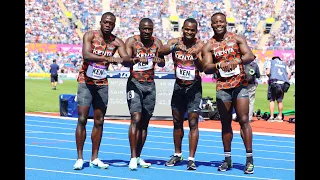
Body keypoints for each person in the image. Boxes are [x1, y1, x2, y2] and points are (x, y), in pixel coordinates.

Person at [73, 12, 132, 170]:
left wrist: (125, 59)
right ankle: (80, 158)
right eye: (105, 22)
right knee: (83, 119)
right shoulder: (90, 35)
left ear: (114, 25)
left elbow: (126, 60)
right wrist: (107, 59)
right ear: (100, 22)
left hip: (102, 84)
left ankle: (95, 157)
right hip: (85, 81)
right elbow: (86, 55)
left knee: (99, 121)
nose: (108, 25)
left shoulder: (116, 42)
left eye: (111, 23)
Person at [201, 12, 256, 174]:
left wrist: (235, 61)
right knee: (225, 124)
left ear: (226, 23)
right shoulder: (208, 45)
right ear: (211, 25)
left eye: (221, 22)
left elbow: (250, 55)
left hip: (239, 85)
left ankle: (249, 159)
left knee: (244, 120)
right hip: (222, 88)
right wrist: (220, 66)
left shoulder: (237, 39)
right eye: (215, 23)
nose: (218, 25)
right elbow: (206, 68)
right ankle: (227, 159)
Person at [158, 18, 204, 170]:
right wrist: (174, 47)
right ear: (182, 29)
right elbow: (161, 51)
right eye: (187, 29)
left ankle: (191, 159)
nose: (189, 32)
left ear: (196, 31)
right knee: (177, 122)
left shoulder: (200, 45)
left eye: (192, 30)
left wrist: (196, 56)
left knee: (193, 123)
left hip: (194, 88)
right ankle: (177, 154)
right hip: (178, 87)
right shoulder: (175, 42)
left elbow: (203, 68)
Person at [125, 18, 165, 170]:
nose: (147, 32)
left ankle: (139, 156)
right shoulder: (132, 41)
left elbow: (162, 62)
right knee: (136, 118)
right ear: (140, 29)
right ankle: (133, 157)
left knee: (145, 122)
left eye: (150, 29)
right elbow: (126, 60)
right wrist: (136, 59)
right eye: (144, 29)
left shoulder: (157, 43)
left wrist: (158, 59)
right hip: (134, 83)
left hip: (150, 85)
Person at [265, 56, 291, 122]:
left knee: (272, 100)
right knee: (280, 100)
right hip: (283, 83)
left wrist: (270, 76)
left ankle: (271, 117)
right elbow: (289, 74)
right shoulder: (284, 64)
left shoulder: (270, 62)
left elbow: (268, 72)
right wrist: (285, 79)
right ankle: (279, 117)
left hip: (274, 82)